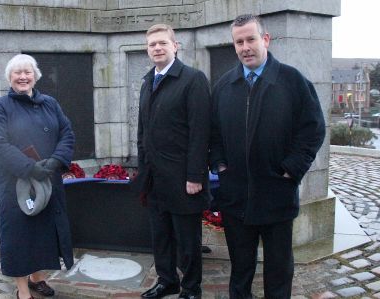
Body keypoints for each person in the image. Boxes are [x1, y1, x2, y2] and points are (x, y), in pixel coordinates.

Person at [209, 14, 326, 298]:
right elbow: (212, 134)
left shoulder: (292, 81)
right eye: (239, 42)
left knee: (278, 270)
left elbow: (313, 129)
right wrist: (220, 166)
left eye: (250, 39)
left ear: (265, 39)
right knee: (240, 269)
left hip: (277, 195)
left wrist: (290, 170)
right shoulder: (224, 85)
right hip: (236, 198)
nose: (245, 47)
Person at [0, 54, 75, 299]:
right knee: (19, 237)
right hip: (16, 185)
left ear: (35, 76)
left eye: (28, 72)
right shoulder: (0, 107)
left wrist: (56, 160)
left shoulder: (50, 103)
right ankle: (22, 289)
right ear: (10, 78)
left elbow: (67, 132)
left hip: (47, 181)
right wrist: (30, 167)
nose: (23, 77)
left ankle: (37, 279)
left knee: (42, 235)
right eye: (18, 73)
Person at [135, 24, 211, 299]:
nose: (157, 48)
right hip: (155, 180)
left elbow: (201, 133)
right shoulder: (147, 82)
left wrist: (195, 176)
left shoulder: (193, 80)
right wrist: (143, 173)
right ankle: (167, 280)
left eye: (162, 43)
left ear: (175, 46)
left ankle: (191, 289)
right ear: (147, 49)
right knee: (161, 237)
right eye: (152, 44)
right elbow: (142, 132)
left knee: (188, 242)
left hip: (183, 180)